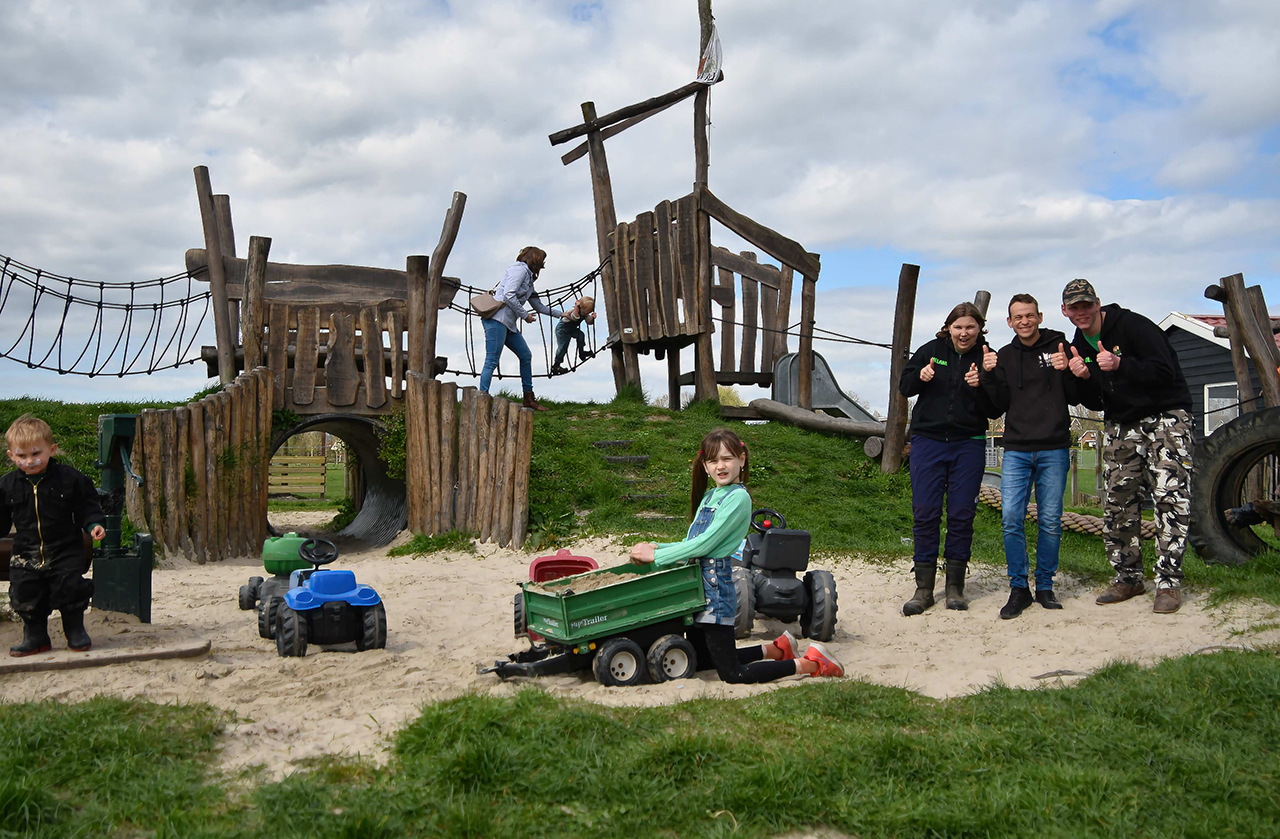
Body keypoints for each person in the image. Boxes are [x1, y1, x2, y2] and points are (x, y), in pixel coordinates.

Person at [629, 428, 843, 681]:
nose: (720, 466)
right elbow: (692, 542)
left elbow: (705, 545)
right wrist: (658, 547)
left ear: (742, 460)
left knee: (732, 674)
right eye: (713, 460)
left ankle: (811, 664)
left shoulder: (738, 497)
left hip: (715, 587)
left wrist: (656, 557)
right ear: (705, 466)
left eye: (727, 458)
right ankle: (775, 649)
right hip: (699, 585)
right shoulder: (711, 496)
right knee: (704, 659)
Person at [1060, 279, 1193, 614]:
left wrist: (1122, 365)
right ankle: (1129, 577)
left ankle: (1168, 583)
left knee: (1169, 495)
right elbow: (1095, 399)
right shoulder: (1079, 342)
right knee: (1118, 499)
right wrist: (1084, 378)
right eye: (1074, 307)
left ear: (1098, 304)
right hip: (1121, 422)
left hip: (1165, 416)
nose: (1081, 313)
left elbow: (1165, 371)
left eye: (1086, 305)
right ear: (1065, 311)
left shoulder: (1134, 326)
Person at [898, 302, 1000, 615]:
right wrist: (923, 377)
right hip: (928, 441)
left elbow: (996, 407)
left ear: (979, 328)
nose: (964, 333)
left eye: (970, 327)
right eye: (958, 327)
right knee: (926, 512)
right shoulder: (930, 350)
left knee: (960, 514)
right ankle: (924, 588)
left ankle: (955, 587)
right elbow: (904, 387)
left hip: (967, 443)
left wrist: (982, 384)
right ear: (949, 327)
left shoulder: (988, 357)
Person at [980, 294, 1077, 619]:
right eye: (1018, 317)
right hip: (1018, 449)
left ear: (1039, 317)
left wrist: (1068, 371)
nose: (1024, 321)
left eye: (1029, 315)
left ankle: (1045, 586)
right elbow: (996, 406)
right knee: (1011, 519)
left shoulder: (1058, 345)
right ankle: (1019, 588)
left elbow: (1077, 392)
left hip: (1054, 447)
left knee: (1050, 521)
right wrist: (989, 374)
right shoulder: (1004, 355)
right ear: (1010, 322)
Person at [2, 414, 106, 656]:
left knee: (70, 589)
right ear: (11, 456)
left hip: (65, 548)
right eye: (21, 456)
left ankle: (75, 631)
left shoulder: (70, 479)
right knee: (25, 592)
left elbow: (87, 505)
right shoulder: (7, 486)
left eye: (36, 454)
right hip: (26, 551)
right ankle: (35, 637)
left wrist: (93, 524)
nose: (30, 461)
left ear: (52, 450)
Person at [480, 246, 565, 411]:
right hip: (497, 320)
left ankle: (528, 398)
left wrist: (563, 315)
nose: (542, 266)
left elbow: (539, 307)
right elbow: (509, 295)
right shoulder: (519, 271)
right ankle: (481, 401)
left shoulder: (528, 279)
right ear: (536, 260)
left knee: (525, 355)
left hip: (508, 324)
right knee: (491, 360)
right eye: (542, 261)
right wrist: (525, 315)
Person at [550, 296, 597, 376]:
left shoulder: (584, 312)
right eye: (585, 312)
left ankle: (581, 353)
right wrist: (576, 306)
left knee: (581, 335)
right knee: (563, 347)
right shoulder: (573, 310)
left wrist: (592, 318)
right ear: (580, 307)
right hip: (562, 330)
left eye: (588, 313)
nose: (586, 314)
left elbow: (589, 322)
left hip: (571, 329)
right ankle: (556, 366)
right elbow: (575, 317)